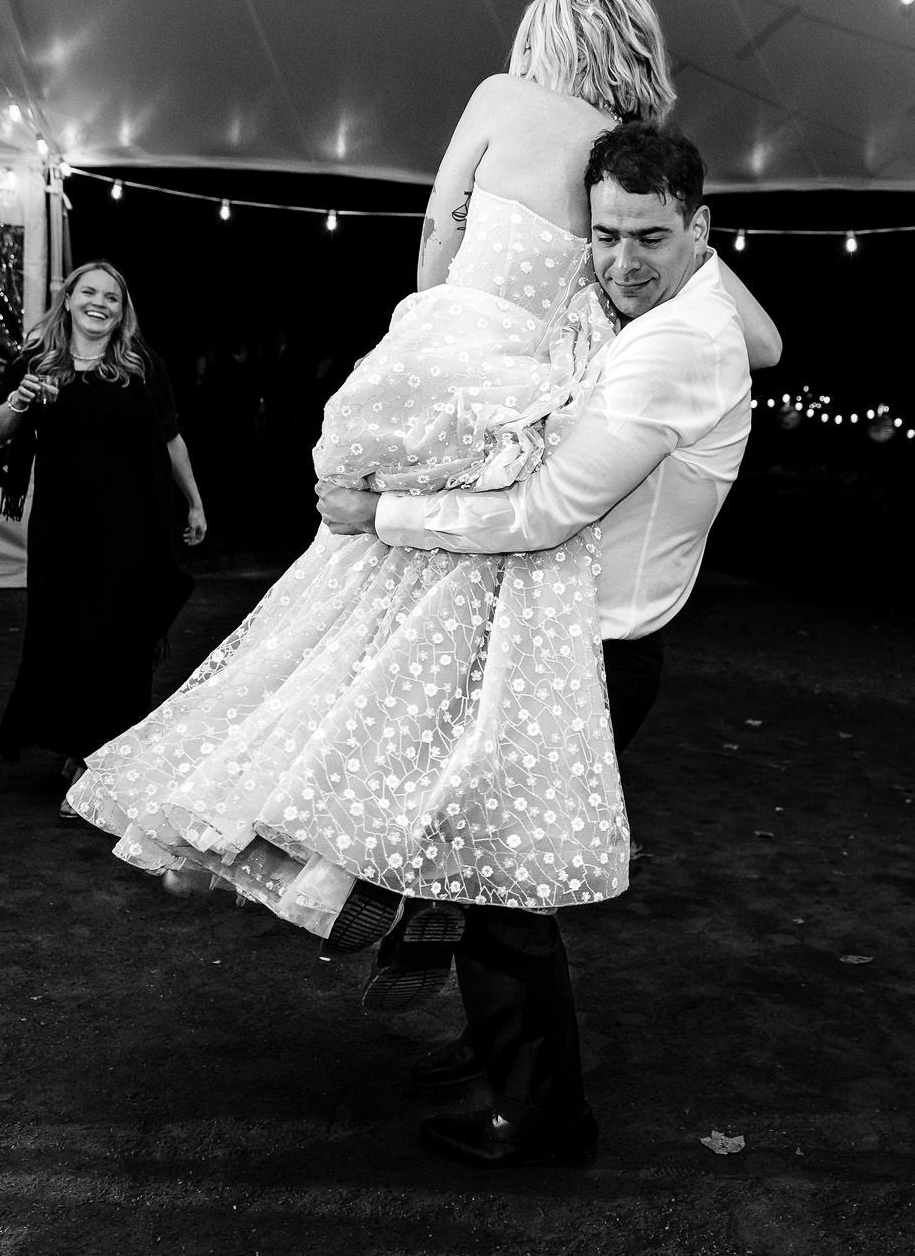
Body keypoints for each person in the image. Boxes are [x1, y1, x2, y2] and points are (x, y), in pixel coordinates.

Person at [65, 0, 776, 961]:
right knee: (448, 647)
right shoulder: (629, 170)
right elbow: (760, 338)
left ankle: (287, 837)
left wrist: (442, 320)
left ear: (545, 38)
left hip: (448, 361)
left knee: (348, 612)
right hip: (539, 403)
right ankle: (367, 872)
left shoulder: (500, 98)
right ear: (634, 51)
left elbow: (439, 229)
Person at [317, 119, 753, 1168]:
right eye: (603, 236)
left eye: (647, 238)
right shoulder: (659, 316)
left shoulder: (675, 345)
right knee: (477, 865)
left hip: (596, 659)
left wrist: (379, 512)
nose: (618, 262)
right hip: (566, 643)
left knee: (503, 889)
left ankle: (544, 1118)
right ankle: (485, 1044)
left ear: (700, 229)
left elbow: (546, 508)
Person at [0, 261, 208, 786]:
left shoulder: (141, 365)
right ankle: (74, 742)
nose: (100, 303)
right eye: (89, 292)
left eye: (112, 297)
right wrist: (19, 400)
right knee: (64, 632)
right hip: (62, 530)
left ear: (122, 310)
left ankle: (99, 756)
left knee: (119, 637)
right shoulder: (36, 363)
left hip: (130, 528)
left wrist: (195, 502)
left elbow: (171, 440)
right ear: (68, 299)